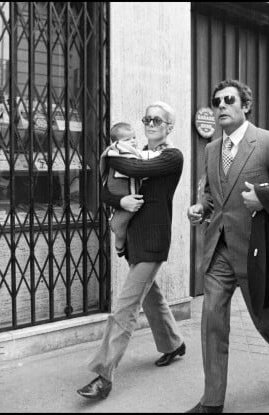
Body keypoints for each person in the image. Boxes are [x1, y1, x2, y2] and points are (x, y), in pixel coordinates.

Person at [186, 80, 269, 413]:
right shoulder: (211, 150)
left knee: (265, 321)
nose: (221, 106)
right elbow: (213, 198)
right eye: (216, 102)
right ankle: (212, 402)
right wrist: (200, 209)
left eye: (228, 100)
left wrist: (265, 198)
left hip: (256, 251)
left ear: (245, 106)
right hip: (218, 251)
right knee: (211, 318)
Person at [77, 101, 186, 400]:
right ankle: (174, 343)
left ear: (168, 127)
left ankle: (103, 375)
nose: (150, 124)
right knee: (151, 297)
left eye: (157, 120)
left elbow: (136, 168)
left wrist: (111, 154)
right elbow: (104, 191)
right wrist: (120, 202)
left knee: (125, 308)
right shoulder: (133, 152)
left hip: (153, 242)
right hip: (133, 241)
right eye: (147, 118)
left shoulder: (171, 156)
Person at [99, 122, 161, 257]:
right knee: (119, 225)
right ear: (117, 143)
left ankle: (121, 245)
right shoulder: (117, 154)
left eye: (134, 138)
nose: (133, 142)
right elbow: (137, 165)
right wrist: (121, 201)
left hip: (141, 224)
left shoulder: (136, 153)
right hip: (122, 194)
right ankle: (119, 246)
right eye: (127, 140)